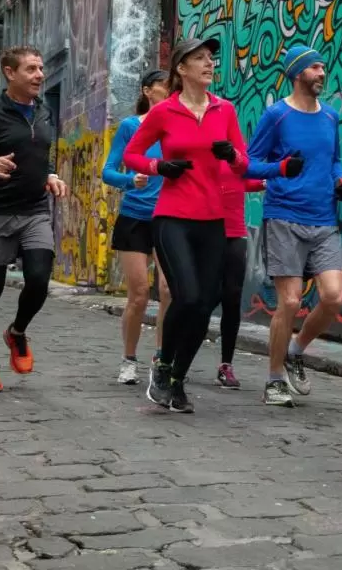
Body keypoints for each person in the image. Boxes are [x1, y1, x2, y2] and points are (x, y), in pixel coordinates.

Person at [122, 38, 251, 413]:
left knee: (203, 306)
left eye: (211, 58)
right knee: (188, 296)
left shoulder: (225, 111)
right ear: (181, 68)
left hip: (214, 221)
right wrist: (157, 167)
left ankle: (177, 379)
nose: (209, 64)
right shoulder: (164, 112)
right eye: (200, 59)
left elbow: (244, 164)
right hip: (172, 217)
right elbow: (132, 154)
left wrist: (234, 156)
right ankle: (162, 365)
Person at [0, 45, 69, 393]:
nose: (39, 75)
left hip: (35, 210)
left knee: (38, 279)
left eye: (40, 69)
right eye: (31, 69)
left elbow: (41, 154)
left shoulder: (44, 112)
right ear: (10, 72)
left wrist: (49, 175)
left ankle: (16, 332)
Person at [245, 44, 342, 408]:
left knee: (334, 298)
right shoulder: (276, 116)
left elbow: (335, 160)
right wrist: (280, 169)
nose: (322, 73)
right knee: (289, 301)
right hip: (284, 217)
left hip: (323, 220)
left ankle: (295, 349)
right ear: (297, 73)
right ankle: (274, 379)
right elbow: (249, 164)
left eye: (323, 67)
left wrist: (341, 180)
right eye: (315, 68)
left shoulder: (331, 118)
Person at [101, 69, 172, 385]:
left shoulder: (176, 126)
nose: (171, 91)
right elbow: (107, 171)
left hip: (170, 216)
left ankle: (162, 358)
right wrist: (130, 180)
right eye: (164, 86)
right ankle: (128, 359)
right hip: (134, 218)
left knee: (170, 290)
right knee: (140, 293)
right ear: (147, 91)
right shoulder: (132, 127)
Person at [211, 163, 266, 389]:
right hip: (206, 230)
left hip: (235, 232)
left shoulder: (237, 152)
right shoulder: (203, 145)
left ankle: (226, 365)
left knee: (232, 297)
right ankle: (176, 358)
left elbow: (243, 181)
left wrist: (266, 181)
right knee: (201, 298)